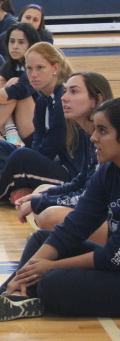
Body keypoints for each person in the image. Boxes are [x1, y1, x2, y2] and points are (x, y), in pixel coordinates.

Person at [0, 97, 120, 321]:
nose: (93, 137)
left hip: (115, 262)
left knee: (52, 282)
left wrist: (49, 266)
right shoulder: (108, 171)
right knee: (41, 239)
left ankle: (21, 297)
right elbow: (75, 226)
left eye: (102, 131)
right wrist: (33, 269)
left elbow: (111, 257)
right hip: (113, 263)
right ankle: (15, 294)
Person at [0, 43, 76, 205]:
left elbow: (49, 150)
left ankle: (5, 189)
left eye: (40, 68)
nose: (33, 74)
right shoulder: (42, 100)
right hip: (46, 163)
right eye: (29, 69)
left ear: (55, 68)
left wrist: (2, 174)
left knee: (22, 155)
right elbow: (37, 145)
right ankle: (22, 188)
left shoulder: (62, 100)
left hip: (68, 174)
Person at [15, 71, 112, 242]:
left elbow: (90, 197)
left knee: (49, 215)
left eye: (74, 92)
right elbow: (81, 181)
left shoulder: (109, 140)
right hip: (97, 208)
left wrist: (40, 202)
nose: (64, 97)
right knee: (40, 191)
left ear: (97, 99)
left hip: (111, 219)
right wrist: (43, 198)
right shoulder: (86, 134)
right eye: (65, 91)